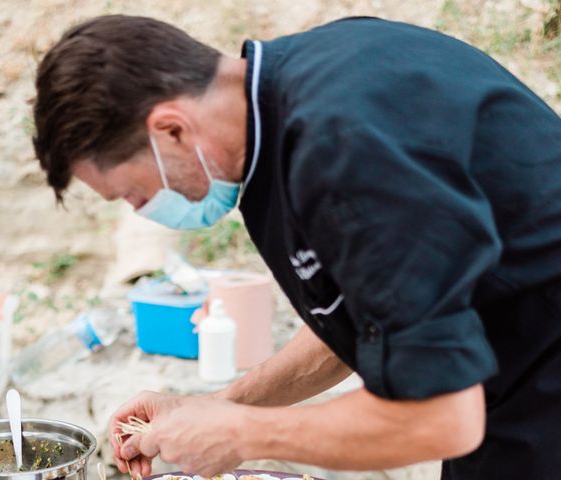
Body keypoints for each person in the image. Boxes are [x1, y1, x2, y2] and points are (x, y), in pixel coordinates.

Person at [31, 14, 561, 480]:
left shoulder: (344, 150)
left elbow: (440, 414)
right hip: (505, 382)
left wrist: (243, 434)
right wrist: (216, 405)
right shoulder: (284, 107)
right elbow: (372, 315)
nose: (142, 211)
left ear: (170, 129)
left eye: (134, 193)